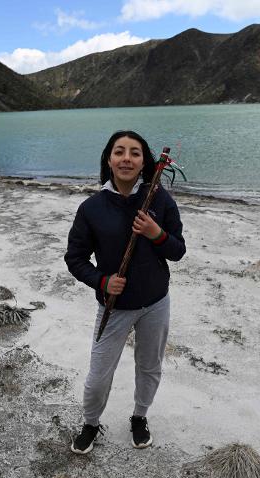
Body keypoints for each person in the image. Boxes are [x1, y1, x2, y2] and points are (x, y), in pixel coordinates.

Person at [64, 130, 186, 454]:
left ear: (145, 161)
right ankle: (91, 422)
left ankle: (139, 416)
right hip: (113, 307)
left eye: (134, 152)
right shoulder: (92, 208)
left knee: (149, 366)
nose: (127, 158)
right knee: (98, 374)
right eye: (120, 152)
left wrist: (155, 232)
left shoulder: (159, 199)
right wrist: (102, 282)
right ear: (109, 158)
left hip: (156, 302)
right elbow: (75, 258)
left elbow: (177, 250)